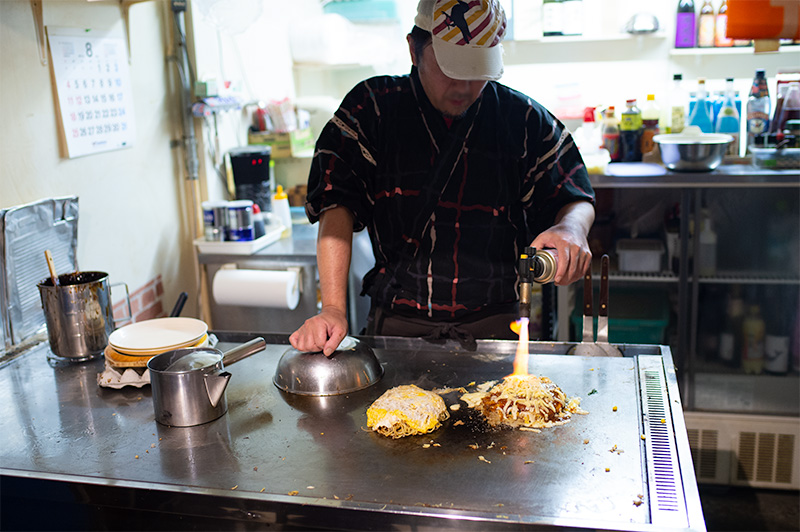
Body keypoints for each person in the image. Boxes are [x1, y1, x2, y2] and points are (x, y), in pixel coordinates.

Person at [289, 0, 595, 355]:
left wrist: (572, 228)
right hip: (399, 329)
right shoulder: (372, 107)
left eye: (477, 71)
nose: (464, 86)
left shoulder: (523, 119)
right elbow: (335, 203)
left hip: (498, 332)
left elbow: (574, 193)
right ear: (413, 49)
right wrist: (333, 309)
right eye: (451, 69)